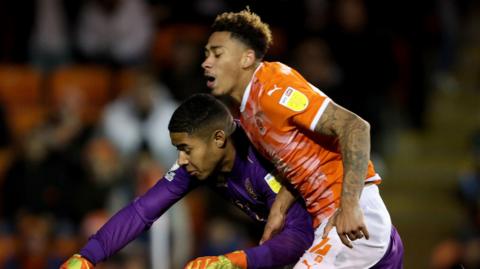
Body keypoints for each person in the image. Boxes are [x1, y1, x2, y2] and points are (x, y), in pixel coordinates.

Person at [201, 8, 403, 268]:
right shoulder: (249, 112)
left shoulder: (274, 89)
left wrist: (350, 206)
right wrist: (279, 209)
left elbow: (355, 127)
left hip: (351, 216)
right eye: (206, 53)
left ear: (246, 58)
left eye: (217, 54)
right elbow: (299, 161)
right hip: (327, 221)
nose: (206, 62)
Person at [60, 93, 314, 269]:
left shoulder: (263, 159)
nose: (180, 159)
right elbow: (142, 211)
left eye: (186, 148)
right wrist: (87, 256)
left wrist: (232, 262)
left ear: (218, 139)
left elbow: (301, 237)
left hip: (340, 235)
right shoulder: (196, 164)